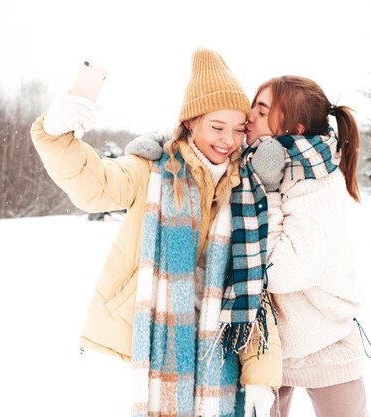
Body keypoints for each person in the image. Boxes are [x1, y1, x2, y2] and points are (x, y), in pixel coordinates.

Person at [29, 48, 281, 417]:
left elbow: (256, 289)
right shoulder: (150, 172)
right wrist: (56, 135)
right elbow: (94, 185)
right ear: (191, 122)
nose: (228, 140)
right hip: (147, 341)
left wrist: (262, 372)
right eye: (216, 127)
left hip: (216, 348)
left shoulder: (247, 192)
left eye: (238, 129)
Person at [242, 75, 369, 417]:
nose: (249, 115)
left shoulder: (318, 183)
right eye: (253, 104)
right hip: (266, 349)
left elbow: (283, 271)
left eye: (262, 110)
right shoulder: (250, 168)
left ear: (295, 129)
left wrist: (268, 193)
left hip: (323, 342)